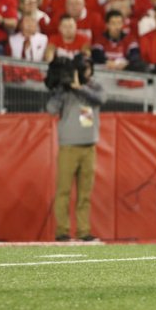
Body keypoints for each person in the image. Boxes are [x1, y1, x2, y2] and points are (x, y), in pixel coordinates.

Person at [46, 55, 106, 241]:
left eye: (88, 67)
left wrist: (80, 88)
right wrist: (62, 89)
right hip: (69, 146)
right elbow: (51, 108)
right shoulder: (66, 90)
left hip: (89, 147)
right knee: (63, 191)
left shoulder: (94, 87)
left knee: (85, 194)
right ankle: (62, 231)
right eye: (83, 68)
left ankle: (83, 231)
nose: (86, 71)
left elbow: (100, 99)